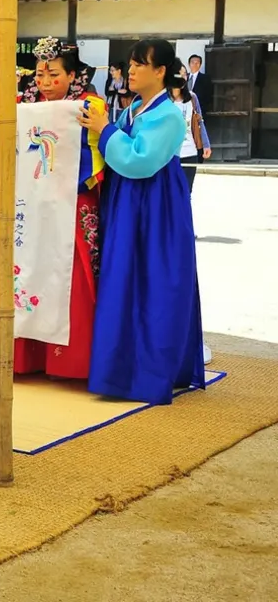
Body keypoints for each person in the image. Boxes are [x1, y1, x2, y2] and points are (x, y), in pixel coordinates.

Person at [0, 37, 102, 380]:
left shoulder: (89, 106)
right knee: (18, 263)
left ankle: (65, 359)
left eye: (53, 74)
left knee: (64, 270)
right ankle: (17, 356)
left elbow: (93, 160)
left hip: (69, 201)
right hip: (25, 199)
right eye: (39, 75)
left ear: (73, 75)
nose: (43, 82)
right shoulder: (21, 105)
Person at [78, 39, 205, 405]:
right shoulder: (133, 108)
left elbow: (138, 162)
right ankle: (119, 367)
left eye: (139, 64)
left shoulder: (167, 115)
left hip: (156, 209)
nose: (130, 70)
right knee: (122, 278)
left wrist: (105, 130)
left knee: (154, 282)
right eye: (130, 64)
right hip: (128, 204)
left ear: (161, 71)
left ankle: (149, 371)